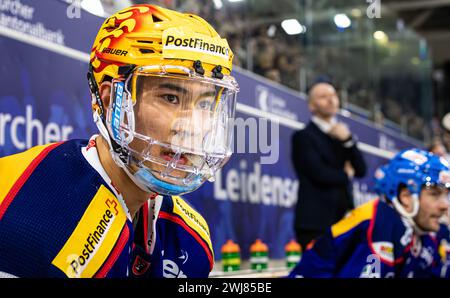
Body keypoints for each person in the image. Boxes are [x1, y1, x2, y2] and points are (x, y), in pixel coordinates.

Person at [0, 4, 239, 278]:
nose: (193, 127)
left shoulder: (191, 238)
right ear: (110, 100)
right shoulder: (16, 209)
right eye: (170, 98)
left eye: (205, 104)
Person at [288, 149, 450, 278]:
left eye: (446, 195)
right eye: (435, 194)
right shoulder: (381, 223)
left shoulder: (423, 235)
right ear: (406, 196)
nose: (445, 205)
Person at [291, 81, 367, 250]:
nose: (331, 100)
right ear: (311, 106)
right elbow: (319, 173)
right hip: (315, 224)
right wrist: (346, 175)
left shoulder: (343, 135)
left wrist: (347, 140)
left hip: (345, 221)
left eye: (333, 95)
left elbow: (361, 170)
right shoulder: (303, 137)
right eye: (323, 97)